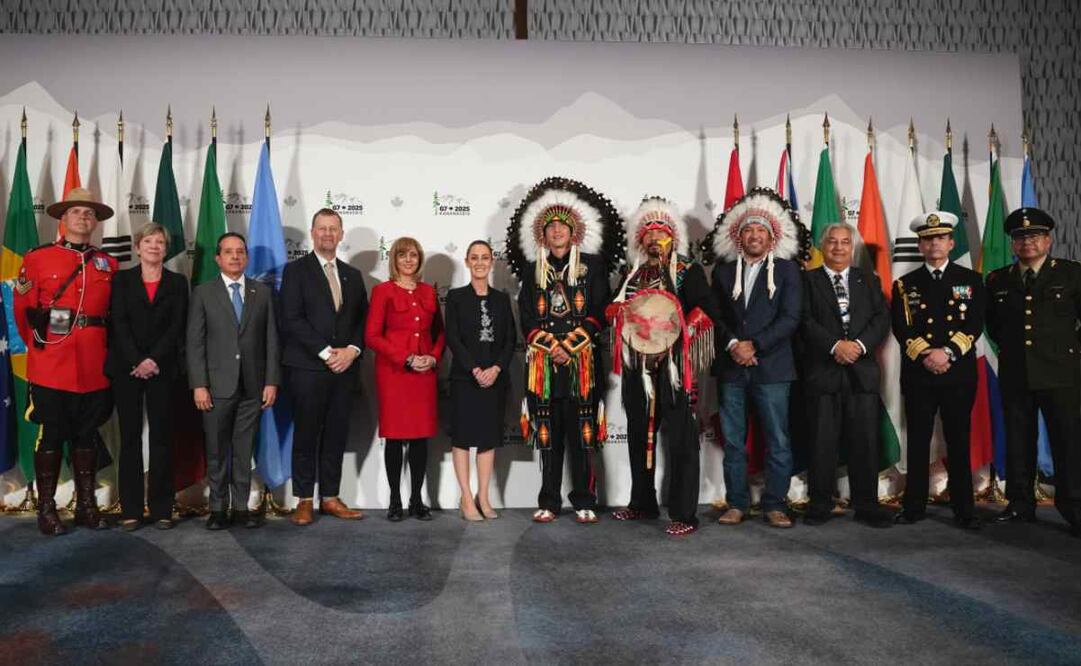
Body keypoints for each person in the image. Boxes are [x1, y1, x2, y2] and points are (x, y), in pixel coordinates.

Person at [506, 176, 623, 524]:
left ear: (574, 233)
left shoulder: (593, 266)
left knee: (583, 435)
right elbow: (527, 317)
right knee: (548, 435)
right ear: (542, 235)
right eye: (551, 227)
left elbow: (600, 310)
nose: (557, 231)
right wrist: (550, 347)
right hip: (544, 367)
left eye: (563, 226)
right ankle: (549, 501)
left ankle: (585, 500)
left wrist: (570, 346)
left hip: (581, 365)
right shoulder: (533, 270)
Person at [607, 197, 719, 536]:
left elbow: (705, 310)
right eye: (649, 235)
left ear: (673, 238)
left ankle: (685, 513)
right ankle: (642, 502)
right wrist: (617, 315)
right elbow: (615, 311)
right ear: (640, 240)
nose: (655, 240)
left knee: (682, 438)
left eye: (662, 234)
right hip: (637, 365)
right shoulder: (632, 274)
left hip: (674, 366)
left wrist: (672, 342)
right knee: (638, 433)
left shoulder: (687, 271)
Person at [14, 188, 118, 536]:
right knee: (52, 435)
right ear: (62, 219)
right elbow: (23, 312)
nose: (83, 218)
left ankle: (86, 506)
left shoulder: (108, 263)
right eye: (76, 212)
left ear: (96, 222)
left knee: (87, 434)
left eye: (89, 213)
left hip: (94, 362)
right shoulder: (38, 258)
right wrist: (42, 348)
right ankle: (47, 509)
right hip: (52, 362)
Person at [710, 189, 803, 529]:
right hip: (732, 367)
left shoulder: (787, 271)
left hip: (773, 366)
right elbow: (715, 316)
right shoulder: (722, 272)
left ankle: (775, 504)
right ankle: (737, 503)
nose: (754, 235)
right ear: (739, 235)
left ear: (771, 235)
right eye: (748, 230)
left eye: (760, 230)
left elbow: (791, 318)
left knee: (778, 440)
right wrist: (735, 344)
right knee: (734, 441)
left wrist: (755, 346)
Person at [986, 207, 1081, 536]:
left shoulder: (1071, 274)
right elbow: (994, 326)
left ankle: (1074, 506)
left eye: (1035, 235)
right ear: (1013, 244)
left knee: (1067, 441)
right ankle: (1020, 503)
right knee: (1018, 440)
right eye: (1020, 237)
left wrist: (1070, 351)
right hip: (1017, 372)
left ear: (1048, 240)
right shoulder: (998, 280)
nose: (1028, 242)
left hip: (1061, 373)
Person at [890, 211, 984, 530]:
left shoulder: (971, 280)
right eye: (928, 239)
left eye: (941, 238)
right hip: (920, 373)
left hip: (958, 374)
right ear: (920, 245)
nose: (934, 244)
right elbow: (902, 328)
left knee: (958, 440)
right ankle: (914, 506)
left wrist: (948, 353)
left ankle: (964, 509)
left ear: (951, 243)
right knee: (918, 441)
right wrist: (927, 355)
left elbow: (974, 324)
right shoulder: (905, 285)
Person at [800, 223, 893, 528]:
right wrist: (835, 346)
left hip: (861, 372)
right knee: (821, 441)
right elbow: (804, 320)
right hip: (823, 371)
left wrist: (859, 346)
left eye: (844, 242)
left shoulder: (868, 279)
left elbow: (881, 318)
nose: (838, 247)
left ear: (852, 247)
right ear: (822, 246)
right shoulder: (807, 280)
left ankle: (867, 504)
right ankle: (820, 503)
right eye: (832, 242)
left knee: (865, 441)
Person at [280, 208, 369, 526]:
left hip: (344, 370)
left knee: (336, 435)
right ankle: (304, 500)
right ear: (313, 233)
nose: (328, 234)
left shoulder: (353, 275)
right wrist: (325, 352)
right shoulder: (295, 271)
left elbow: (362, 321)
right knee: (306, 434)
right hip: (307, 368)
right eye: (322, 228)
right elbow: (291, 319)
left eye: (333, 228)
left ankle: (330, 497)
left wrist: (352, 351)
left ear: (341, 234)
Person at [187, 232, 280, 530]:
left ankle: (241, 508)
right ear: (218, 258)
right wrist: (199, 384)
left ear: (247, 257)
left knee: (243, 450)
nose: (235, 256)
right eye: (228, 252)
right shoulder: (203, 293)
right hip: (215, 388)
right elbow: (195, 343)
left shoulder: (261, 293)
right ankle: (217, 508)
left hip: (253, 387)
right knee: (216, 451)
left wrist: (271, 381)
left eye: (240, 251)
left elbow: (271, 340)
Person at [106, 222, 189, 531]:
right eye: (148, 241)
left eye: (160, 242)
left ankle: (162, 508)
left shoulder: (177, 282)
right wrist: (138, 360)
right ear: (137, 247)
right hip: (127, 369)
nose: (154, 246)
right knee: (129, 439)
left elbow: (177, 326)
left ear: (166, 250)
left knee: (162, 439)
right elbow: (119, 324)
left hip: (163, 369)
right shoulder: (121, 280)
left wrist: (153, 360)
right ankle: (130, 509)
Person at [365, 237, 445, 522]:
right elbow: (372, 336)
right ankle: (395, 501)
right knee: (396, 438)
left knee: (421, 438)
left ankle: (417, 500)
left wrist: (433, 357)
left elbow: (440, 333)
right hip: (395, 374)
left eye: (413, 255)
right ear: (394, 260)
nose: (409, 260)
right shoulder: (382, 291)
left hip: (425, 374)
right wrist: (406, 358)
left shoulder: (428, 291)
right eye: (403, 255)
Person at [445, 240, 516, 521]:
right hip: (465, 378)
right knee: (462, 438)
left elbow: (510, 339)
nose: (479, 263)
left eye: (484, 257)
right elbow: (453, 338)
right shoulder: (455, 297)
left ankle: (483, 497)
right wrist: (474, 369)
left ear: (492, 262)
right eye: (474, 257)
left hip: (494, 379)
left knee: (488, 439)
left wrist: (496, 368)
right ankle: (466, 498)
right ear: (466, 261)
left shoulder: (501, 299)